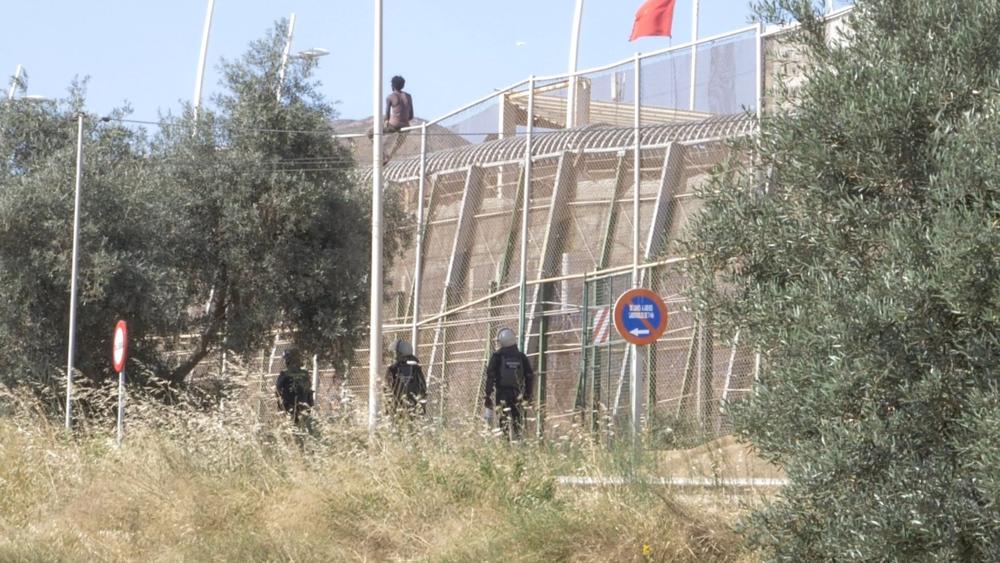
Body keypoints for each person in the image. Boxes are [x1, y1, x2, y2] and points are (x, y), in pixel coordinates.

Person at [484, 328, 535, 440]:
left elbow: (490, 376)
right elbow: (529, 376)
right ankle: (519, 443)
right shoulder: (521, 357)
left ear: (501, 341)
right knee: (518, 422)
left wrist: (488, 395)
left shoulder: (497, 356)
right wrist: (528, 394)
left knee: (504, 422)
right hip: (518, 393)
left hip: (502, 393)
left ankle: (505, 443)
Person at [368, 75, 414, 165]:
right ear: (403, 85)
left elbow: (387, 116)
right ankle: (390, 155)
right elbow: (411, 115)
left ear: (392, 85)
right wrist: (403, 121)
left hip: (393, 125)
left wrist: (388, 122)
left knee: (370, 133)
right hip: (406, 126)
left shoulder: (390, 97)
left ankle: (384, 154)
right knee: (399, 140)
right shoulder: (408, 96)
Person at [385, 339, 426, 421]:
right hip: (414, 409)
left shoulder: (392, 370)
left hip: (396, 410)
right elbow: (423, 389)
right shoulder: (415, 369)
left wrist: (388, 410)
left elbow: (387, 390)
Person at [275, 348, 313, 424]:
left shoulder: (285, 373)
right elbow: (309, 389)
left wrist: (280, 405)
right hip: (304, 406)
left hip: (289, 407)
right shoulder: (305, 373)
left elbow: (277, 390)